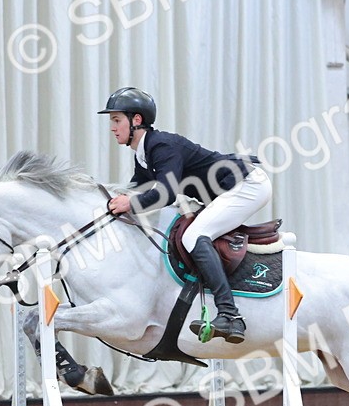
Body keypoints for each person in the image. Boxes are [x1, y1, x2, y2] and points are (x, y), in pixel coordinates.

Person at [101, 87, 271, 343]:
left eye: (116, 120)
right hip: (231, 188)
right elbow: (135, 190)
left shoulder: (162, 146)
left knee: (194, 235)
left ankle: (230, 315)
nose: (112, 128)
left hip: (248, 185)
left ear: (136, 120)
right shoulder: (144, 155)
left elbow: (166, 193)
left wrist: (130, 204)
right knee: (196, 233)